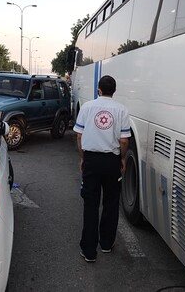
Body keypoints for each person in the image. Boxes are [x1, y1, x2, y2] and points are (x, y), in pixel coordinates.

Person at [73, 75, 131, 263]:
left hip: (91, 161)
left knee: (90, 204)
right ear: (114, 91)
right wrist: (122, 158)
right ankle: (106, 243)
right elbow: (124, 140)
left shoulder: (88, 107)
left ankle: (89, 251)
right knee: (111, 202)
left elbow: (79, 137)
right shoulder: (122, 110)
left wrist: (83, 158)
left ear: (99, 89)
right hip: (111, 162)